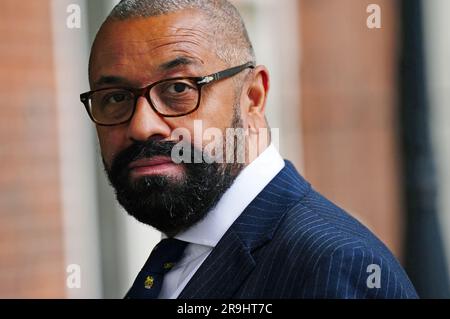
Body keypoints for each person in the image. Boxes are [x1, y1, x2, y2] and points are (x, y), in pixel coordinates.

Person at [81, 0, 418, 298]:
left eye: (179, 88)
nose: (141, 126)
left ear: (253, 97)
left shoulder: (334, 266)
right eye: (115, 98)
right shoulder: (175, 259)